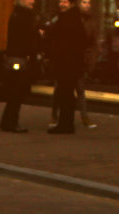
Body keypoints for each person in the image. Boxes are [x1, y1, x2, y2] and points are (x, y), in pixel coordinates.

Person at [45, 0, 87, 134]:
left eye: (65, 2)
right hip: (70, 63)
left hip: (66, 63)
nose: (61, 4)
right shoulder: (73, 18)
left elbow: (61, 41)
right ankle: (66, 123)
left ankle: (65, 123)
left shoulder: (68, 19)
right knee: (67, 93)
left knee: (65, 93)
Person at [0, 0, 39, 132]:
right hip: (20, 57)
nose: (32, 1)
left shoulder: (16, 14)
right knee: (17, 91)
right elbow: (28, 37)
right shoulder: (25, 16)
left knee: (14, 91)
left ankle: (7, 121)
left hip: (14, 56)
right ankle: (11, 122)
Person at [76, 0, 98, 128]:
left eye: (88, 3)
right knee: (62, 88)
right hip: (71, 57)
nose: (87, 5)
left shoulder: (90, 21)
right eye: (84, 2)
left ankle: (84, 116)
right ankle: (55, 115)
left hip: (80, 58)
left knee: (80, 88)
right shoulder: (73, 18)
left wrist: (91, 59)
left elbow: (93, 41)